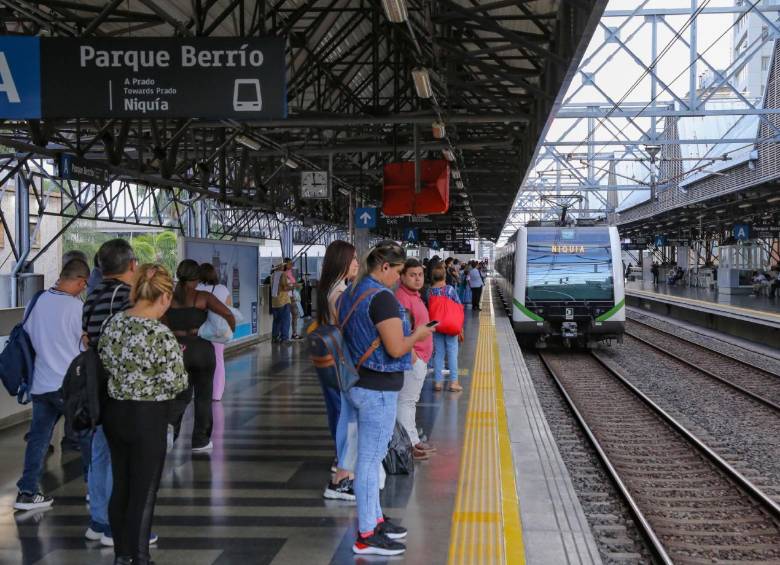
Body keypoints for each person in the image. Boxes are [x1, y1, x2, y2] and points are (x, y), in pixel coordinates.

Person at [339, 241, 434, 556]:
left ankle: (375, 520)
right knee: (368, 461)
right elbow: (395, 348)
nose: (398, 277)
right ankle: (366, 534)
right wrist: (418, 335)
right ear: (384, 268)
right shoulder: (381, 299)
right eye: (397, 271)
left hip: (360, 382)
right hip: (376, 388)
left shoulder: (353, 291)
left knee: (370, 458)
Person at [99, 264, 188, 565]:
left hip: (115, 414)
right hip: (148, 418)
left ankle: (122, 554)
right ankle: (140, 557)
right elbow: (178, 382)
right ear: (164, 296)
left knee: (121, 485)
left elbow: (105, 361)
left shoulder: (113, 324)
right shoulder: (161, 334)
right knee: (144, 490)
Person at [13, 259, 90, 511]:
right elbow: (85, 344)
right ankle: (94, 488)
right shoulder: (76, 308)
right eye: (84, 284)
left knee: (38, 438)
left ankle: (27, 492)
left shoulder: (36, 302)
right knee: (88, 434)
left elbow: (29, 337)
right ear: (80, 281)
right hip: (68, 384)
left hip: (40, 384)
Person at [82, 238, 137, 546]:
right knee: (122, 455)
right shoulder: (126, 297)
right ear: (132, 265)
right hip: (119, 385)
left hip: (96, 383)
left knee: (101, 452)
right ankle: (116, 527)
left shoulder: (91, 296)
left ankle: (99, 520)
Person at [165, 260, 235, 451]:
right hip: (201, 349)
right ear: (196, 279)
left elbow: (161, 321)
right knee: (203, 396)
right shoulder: (203, 297)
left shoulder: (168, 297)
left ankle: (170, 429)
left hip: (179, 351)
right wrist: (229, 332)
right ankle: (200, 440)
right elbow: (228, 314)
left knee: (180, 395)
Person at [315, 240, 360, 501]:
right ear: (341, 262)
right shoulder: (340, 293)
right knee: (347, 416)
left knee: (339, 412)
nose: (356, 264)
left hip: (328, 360)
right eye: (353, 259)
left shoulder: (328, 289)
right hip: (340, 361)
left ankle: (341, 462)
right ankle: (343, 470)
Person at [394, 258, 436, 460]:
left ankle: (412, 441)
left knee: (410, 402)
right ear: (402, 276)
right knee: (406, 402)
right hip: (413, 358)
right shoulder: (402, 298)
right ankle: (408, 445)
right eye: (412, 275)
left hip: (419, 356)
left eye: (420, 274)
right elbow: (401, 333)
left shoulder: (414, 295)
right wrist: (414, 358)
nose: (418, 278)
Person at [197, 263, 232, 401]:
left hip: (200, 330)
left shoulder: (197, 288)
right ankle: (217, 394)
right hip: (218, 331)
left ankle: (199, 390)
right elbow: (229, 309)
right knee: (218, 360)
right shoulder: (223, 289)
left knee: (199, 360)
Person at [429, 264, 464, 392]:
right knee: (452, 354)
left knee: (438, 354)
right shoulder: (449, 289)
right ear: (444, 275)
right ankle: (453, 383)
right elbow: (459, 306)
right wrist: (460, 327)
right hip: (450, 325)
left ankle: (438, 382)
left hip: (436, 325)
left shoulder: (430, 291)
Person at [271, 263, 292, 342]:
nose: (284, 267)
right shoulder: (282, 274)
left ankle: (274, 337)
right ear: (280, 266)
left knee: (276, 321)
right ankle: (284, 338)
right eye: (283, 265)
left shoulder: (273, 275)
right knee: (285, 320)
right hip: (283, 301)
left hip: (275, 302)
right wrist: (294, 286)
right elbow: (285, 287)